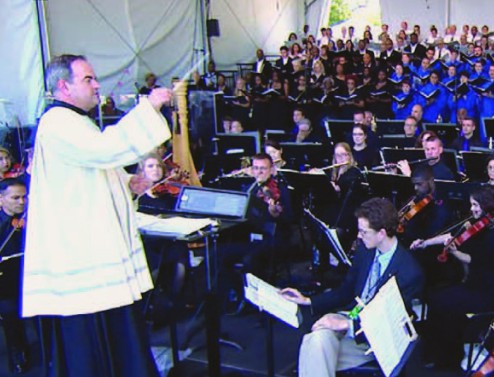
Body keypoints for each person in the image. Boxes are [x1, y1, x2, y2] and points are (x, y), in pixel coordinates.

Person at [22, 54, 172, 377]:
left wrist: (128, 183)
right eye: (88, 79)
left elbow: (96, 170)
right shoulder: (57, 123)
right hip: (82, 258)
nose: (96, 86)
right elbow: (104, 151)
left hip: (93, 251)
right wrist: (149, 109)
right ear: (63, 86)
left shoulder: (75, 121)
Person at [281, 197, 424, 377]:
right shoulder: (366, 251)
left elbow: (388, 323)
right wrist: (308, 300)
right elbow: (345, 291)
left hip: (374, 337)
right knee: (317, 341)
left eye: (364, 232)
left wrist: (347, 324)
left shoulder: (409, 271)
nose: (358, 236)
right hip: (352, 316)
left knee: (314, 344)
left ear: (381, 233)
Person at [411, 186, 494, 371]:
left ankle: (448, 359)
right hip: (475, 284)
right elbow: (451, 237)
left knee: (443, 302)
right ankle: (435, 352)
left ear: (487, 205)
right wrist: (424, 243)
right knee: (436, 296)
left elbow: (474, 260)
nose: (471, 209)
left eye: (475, 205)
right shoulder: (480, 225)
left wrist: (455, 253)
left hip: (486, 292)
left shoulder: (491, 234)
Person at [0, 178, 30, 373]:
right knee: (10, 314)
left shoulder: (32, 219)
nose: (21, 202)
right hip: (6, 282)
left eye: (24, 197)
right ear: (1, 199)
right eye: (15, 198)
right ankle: (17, 352)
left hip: (29, 275)